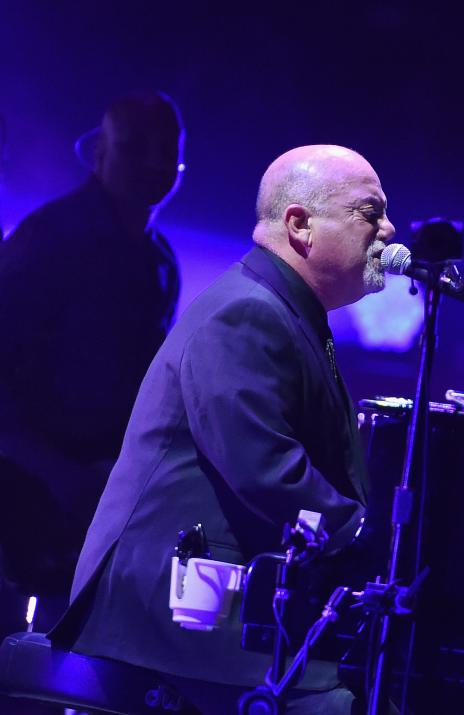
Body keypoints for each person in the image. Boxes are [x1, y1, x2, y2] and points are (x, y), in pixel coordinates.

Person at [50, 145, 395, 713]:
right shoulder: (247, 312)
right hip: (164, 611)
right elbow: (265, 468)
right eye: (369, 212)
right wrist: (366, 538)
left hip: (213, 602)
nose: (388, 229)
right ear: (300, 225)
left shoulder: (285, 311)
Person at [0, 91, 184, 628]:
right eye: (135, 147)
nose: (154, 162)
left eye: (166, 149)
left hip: (89, 496)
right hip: (25, 492)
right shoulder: (50, 239)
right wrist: (56, 473)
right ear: (100, 152)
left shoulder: (158, 260)